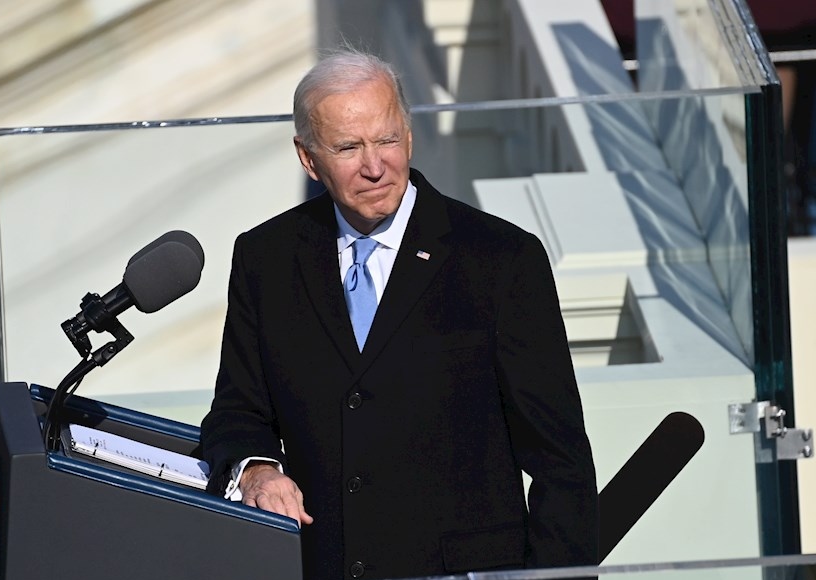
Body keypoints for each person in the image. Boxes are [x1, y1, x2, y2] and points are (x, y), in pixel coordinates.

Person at [200, 49, 598, 580]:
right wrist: (258, 470)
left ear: (408, 136)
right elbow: (237, 410)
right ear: (308, 158)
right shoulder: (267, 257)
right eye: (348, 147)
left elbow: (560, 460)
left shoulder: (500, 260)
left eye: (386, 139)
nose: (373, 166)